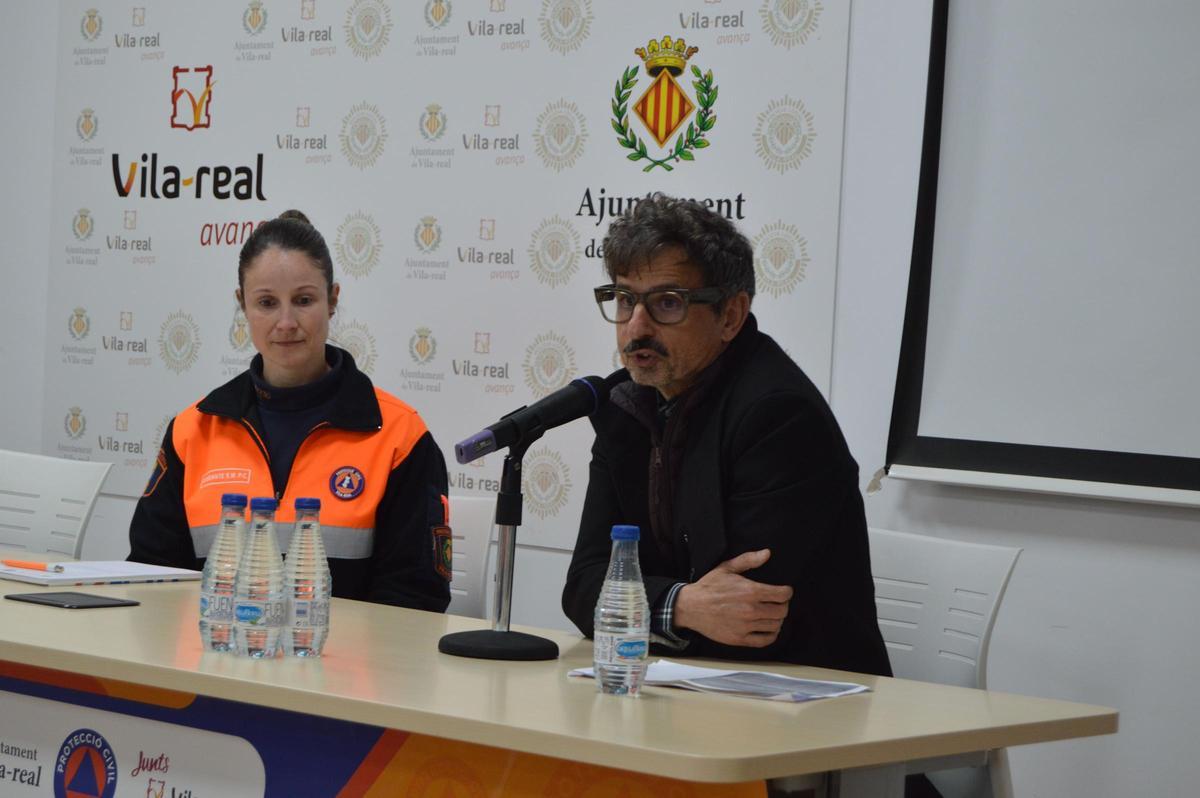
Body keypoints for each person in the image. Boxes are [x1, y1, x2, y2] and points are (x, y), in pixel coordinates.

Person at [561, 193, 891, 674]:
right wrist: (682, 605)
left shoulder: (778, 416)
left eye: (667, 303)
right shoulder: (625, 407)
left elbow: (747, 617)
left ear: (731, 316)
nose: (636, 328)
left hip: (804, 697)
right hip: (685, 687)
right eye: (626, 299)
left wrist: (650, 604)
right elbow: (583, 588)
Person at [129, 210, 451, 611]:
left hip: (348, 667)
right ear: (242, 305)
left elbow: (415, 600)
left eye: (303, 300)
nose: (285, 322)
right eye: (266, 303)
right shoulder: (192, 430)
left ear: (332, 300)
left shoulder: (400, 436)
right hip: (212, 661)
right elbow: (150, 576)